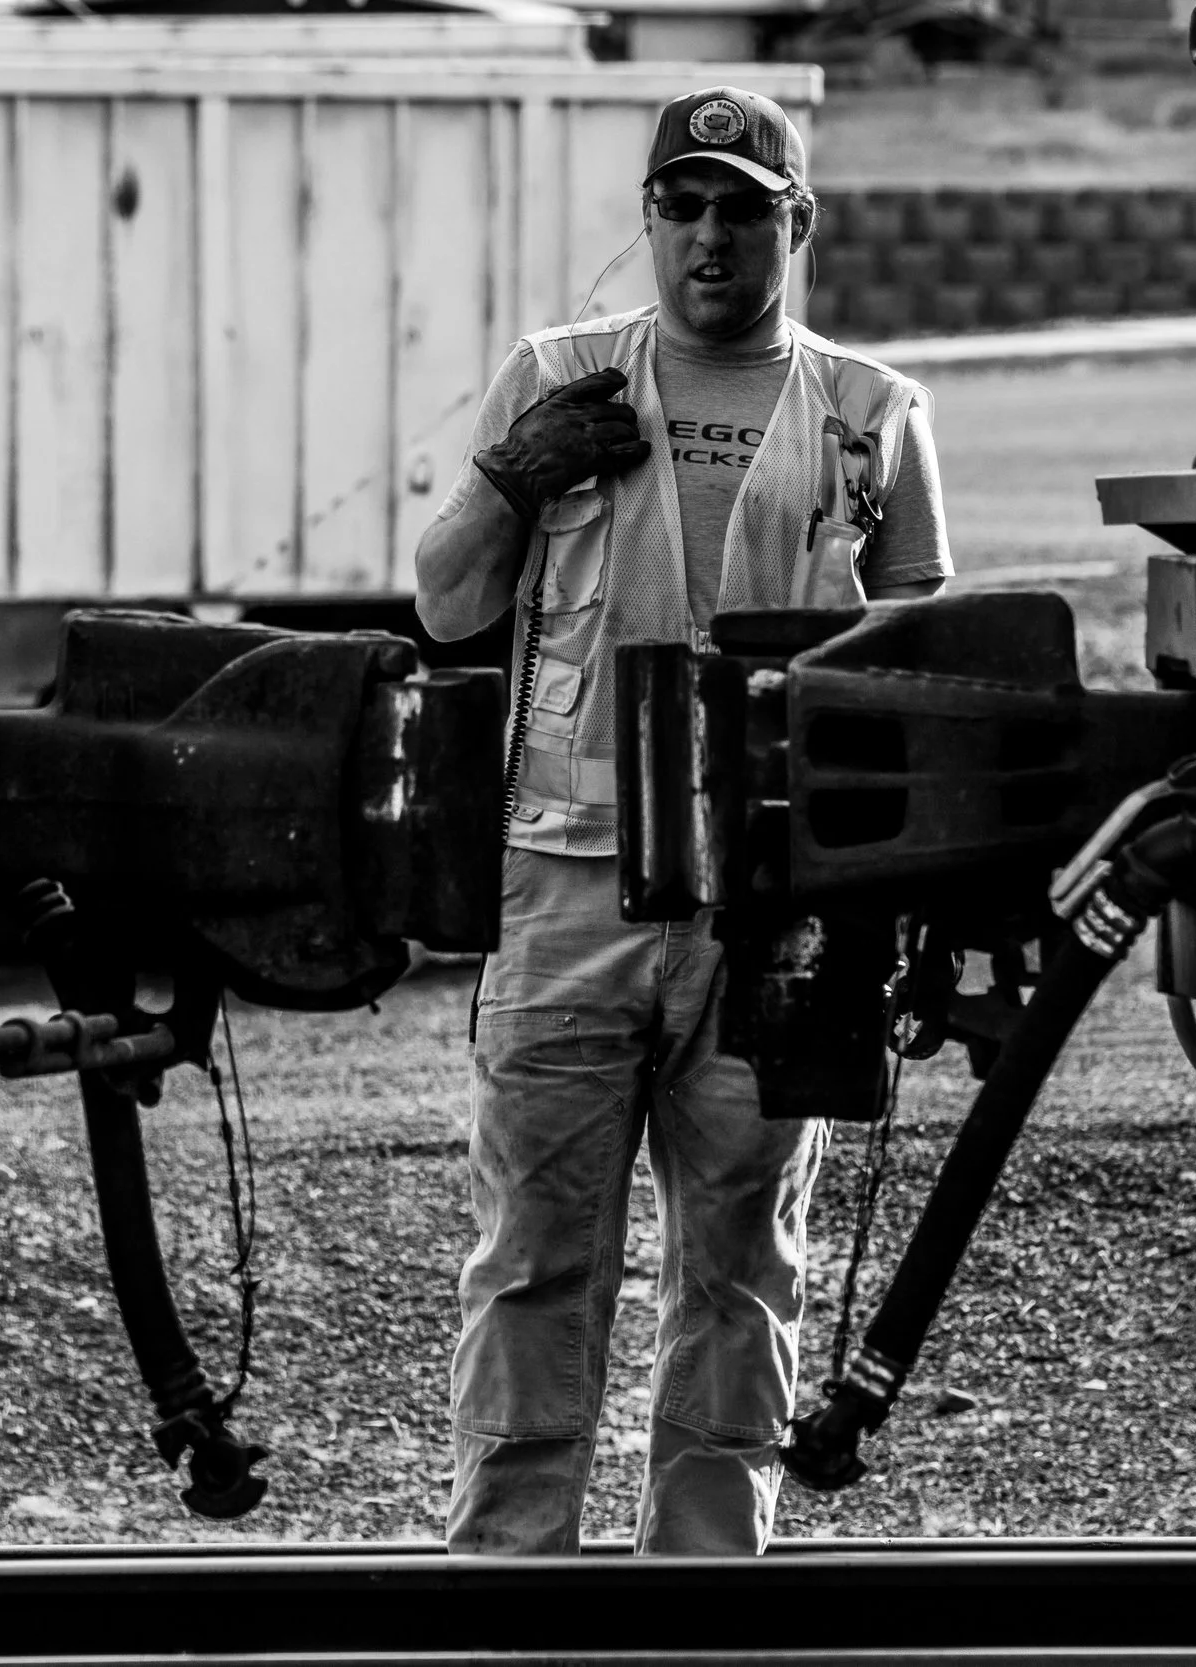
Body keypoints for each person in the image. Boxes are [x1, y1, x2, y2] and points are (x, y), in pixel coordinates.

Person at [413, 85, 952, 1556]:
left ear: (799, 226)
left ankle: (706, 1583)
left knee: (740, 1260)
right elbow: (446, 600)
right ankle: (511, 1574)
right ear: (651, 220)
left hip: (775, 907)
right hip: (571, 891)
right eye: (685, 205)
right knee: (534, 1257)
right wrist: (512, 476)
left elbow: (915, 680)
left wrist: (885, 908)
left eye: (745, 209)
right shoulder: (559, 377)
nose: (712, 236)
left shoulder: (870, 417)